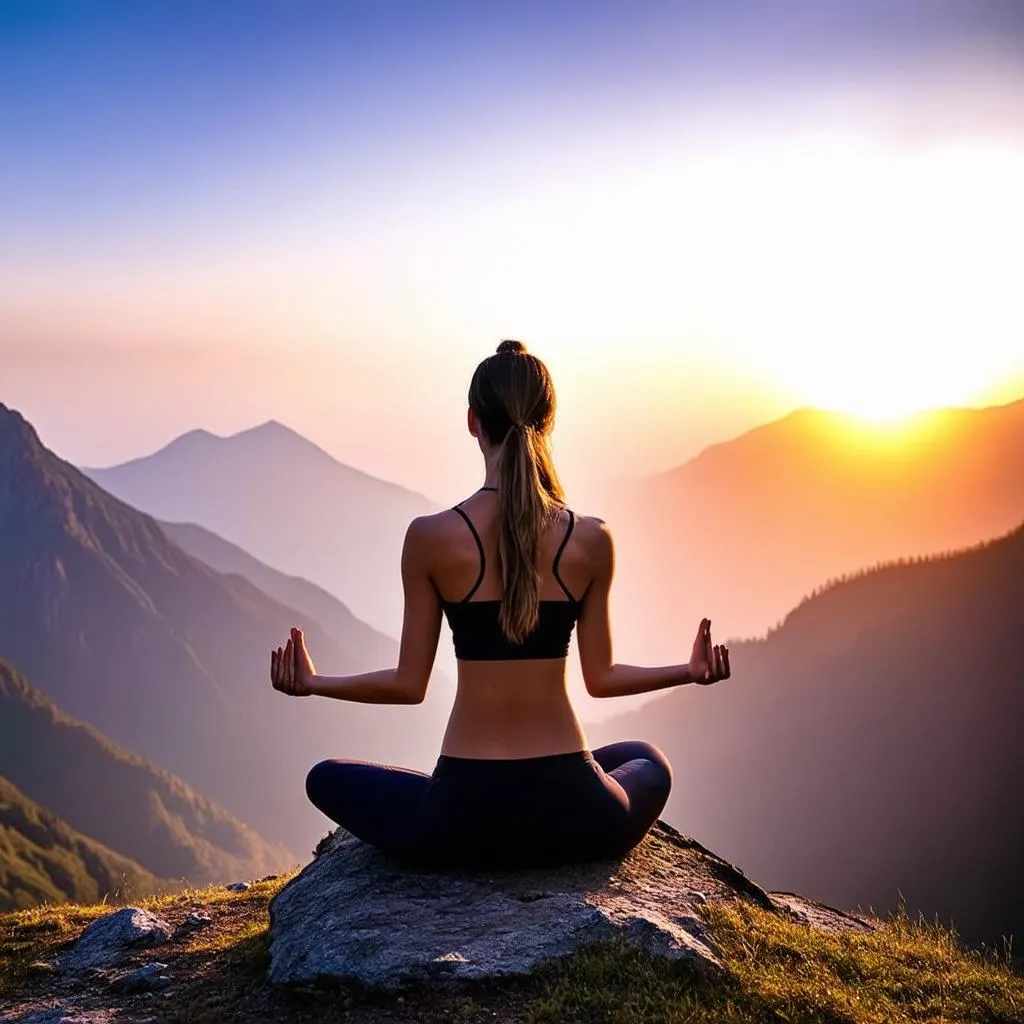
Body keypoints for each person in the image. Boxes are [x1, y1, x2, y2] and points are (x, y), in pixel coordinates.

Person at [270, 339, 730, 869]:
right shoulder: (591, 539)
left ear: (472, 421)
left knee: (325, 777)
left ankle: (450, 804)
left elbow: (408, 685)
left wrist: (313, 683)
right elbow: (600, 679)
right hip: (576, 811)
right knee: (648, 760)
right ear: (548, 422)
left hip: (463, 816)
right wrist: (688, 671)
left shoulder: (430, 538)